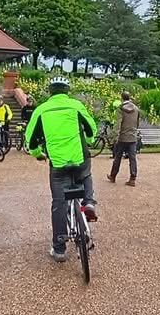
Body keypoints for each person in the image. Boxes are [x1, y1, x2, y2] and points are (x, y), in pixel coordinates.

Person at [25, 76, 99, 262]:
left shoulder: (41, 110)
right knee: (86, 174)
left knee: (59, 203)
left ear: (50, 91)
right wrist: (88, 141)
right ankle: (88, 202)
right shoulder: (76, 106)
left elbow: (30, 140)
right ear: (67, 91)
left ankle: (59, 248)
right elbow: (91, 129)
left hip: (58, 164)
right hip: (79, 158)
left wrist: (37, 154)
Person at [107, 92, 140, 186]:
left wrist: (115, 136)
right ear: (130, 98)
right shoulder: (136, 109)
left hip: (122, 137)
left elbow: (118, 124)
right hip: (132, 137)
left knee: (117, 157)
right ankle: (133, 178)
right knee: (132, 158)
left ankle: (113, 176)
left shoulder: (120, 109)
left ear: (122, 98)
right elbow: (137, 123)